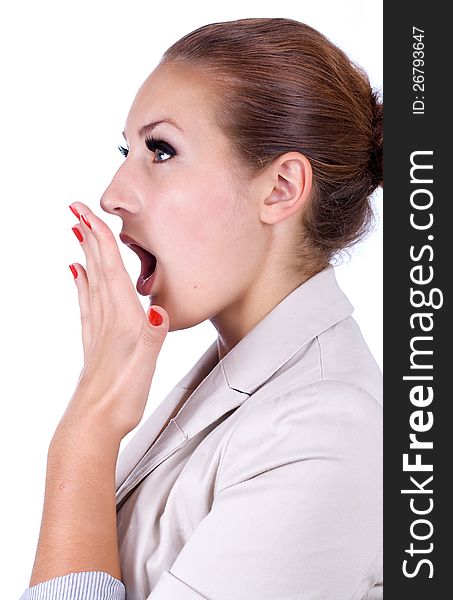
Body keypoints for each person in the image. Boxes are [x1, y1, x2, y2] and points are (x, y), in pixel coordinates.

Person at [19, 16, 383, 600]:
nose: (113, 194)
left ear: (282, 188)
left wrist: (84, 437)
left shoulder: (329, 429)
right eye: (127, 149)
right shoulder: (235, 381)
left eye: (161, 150)